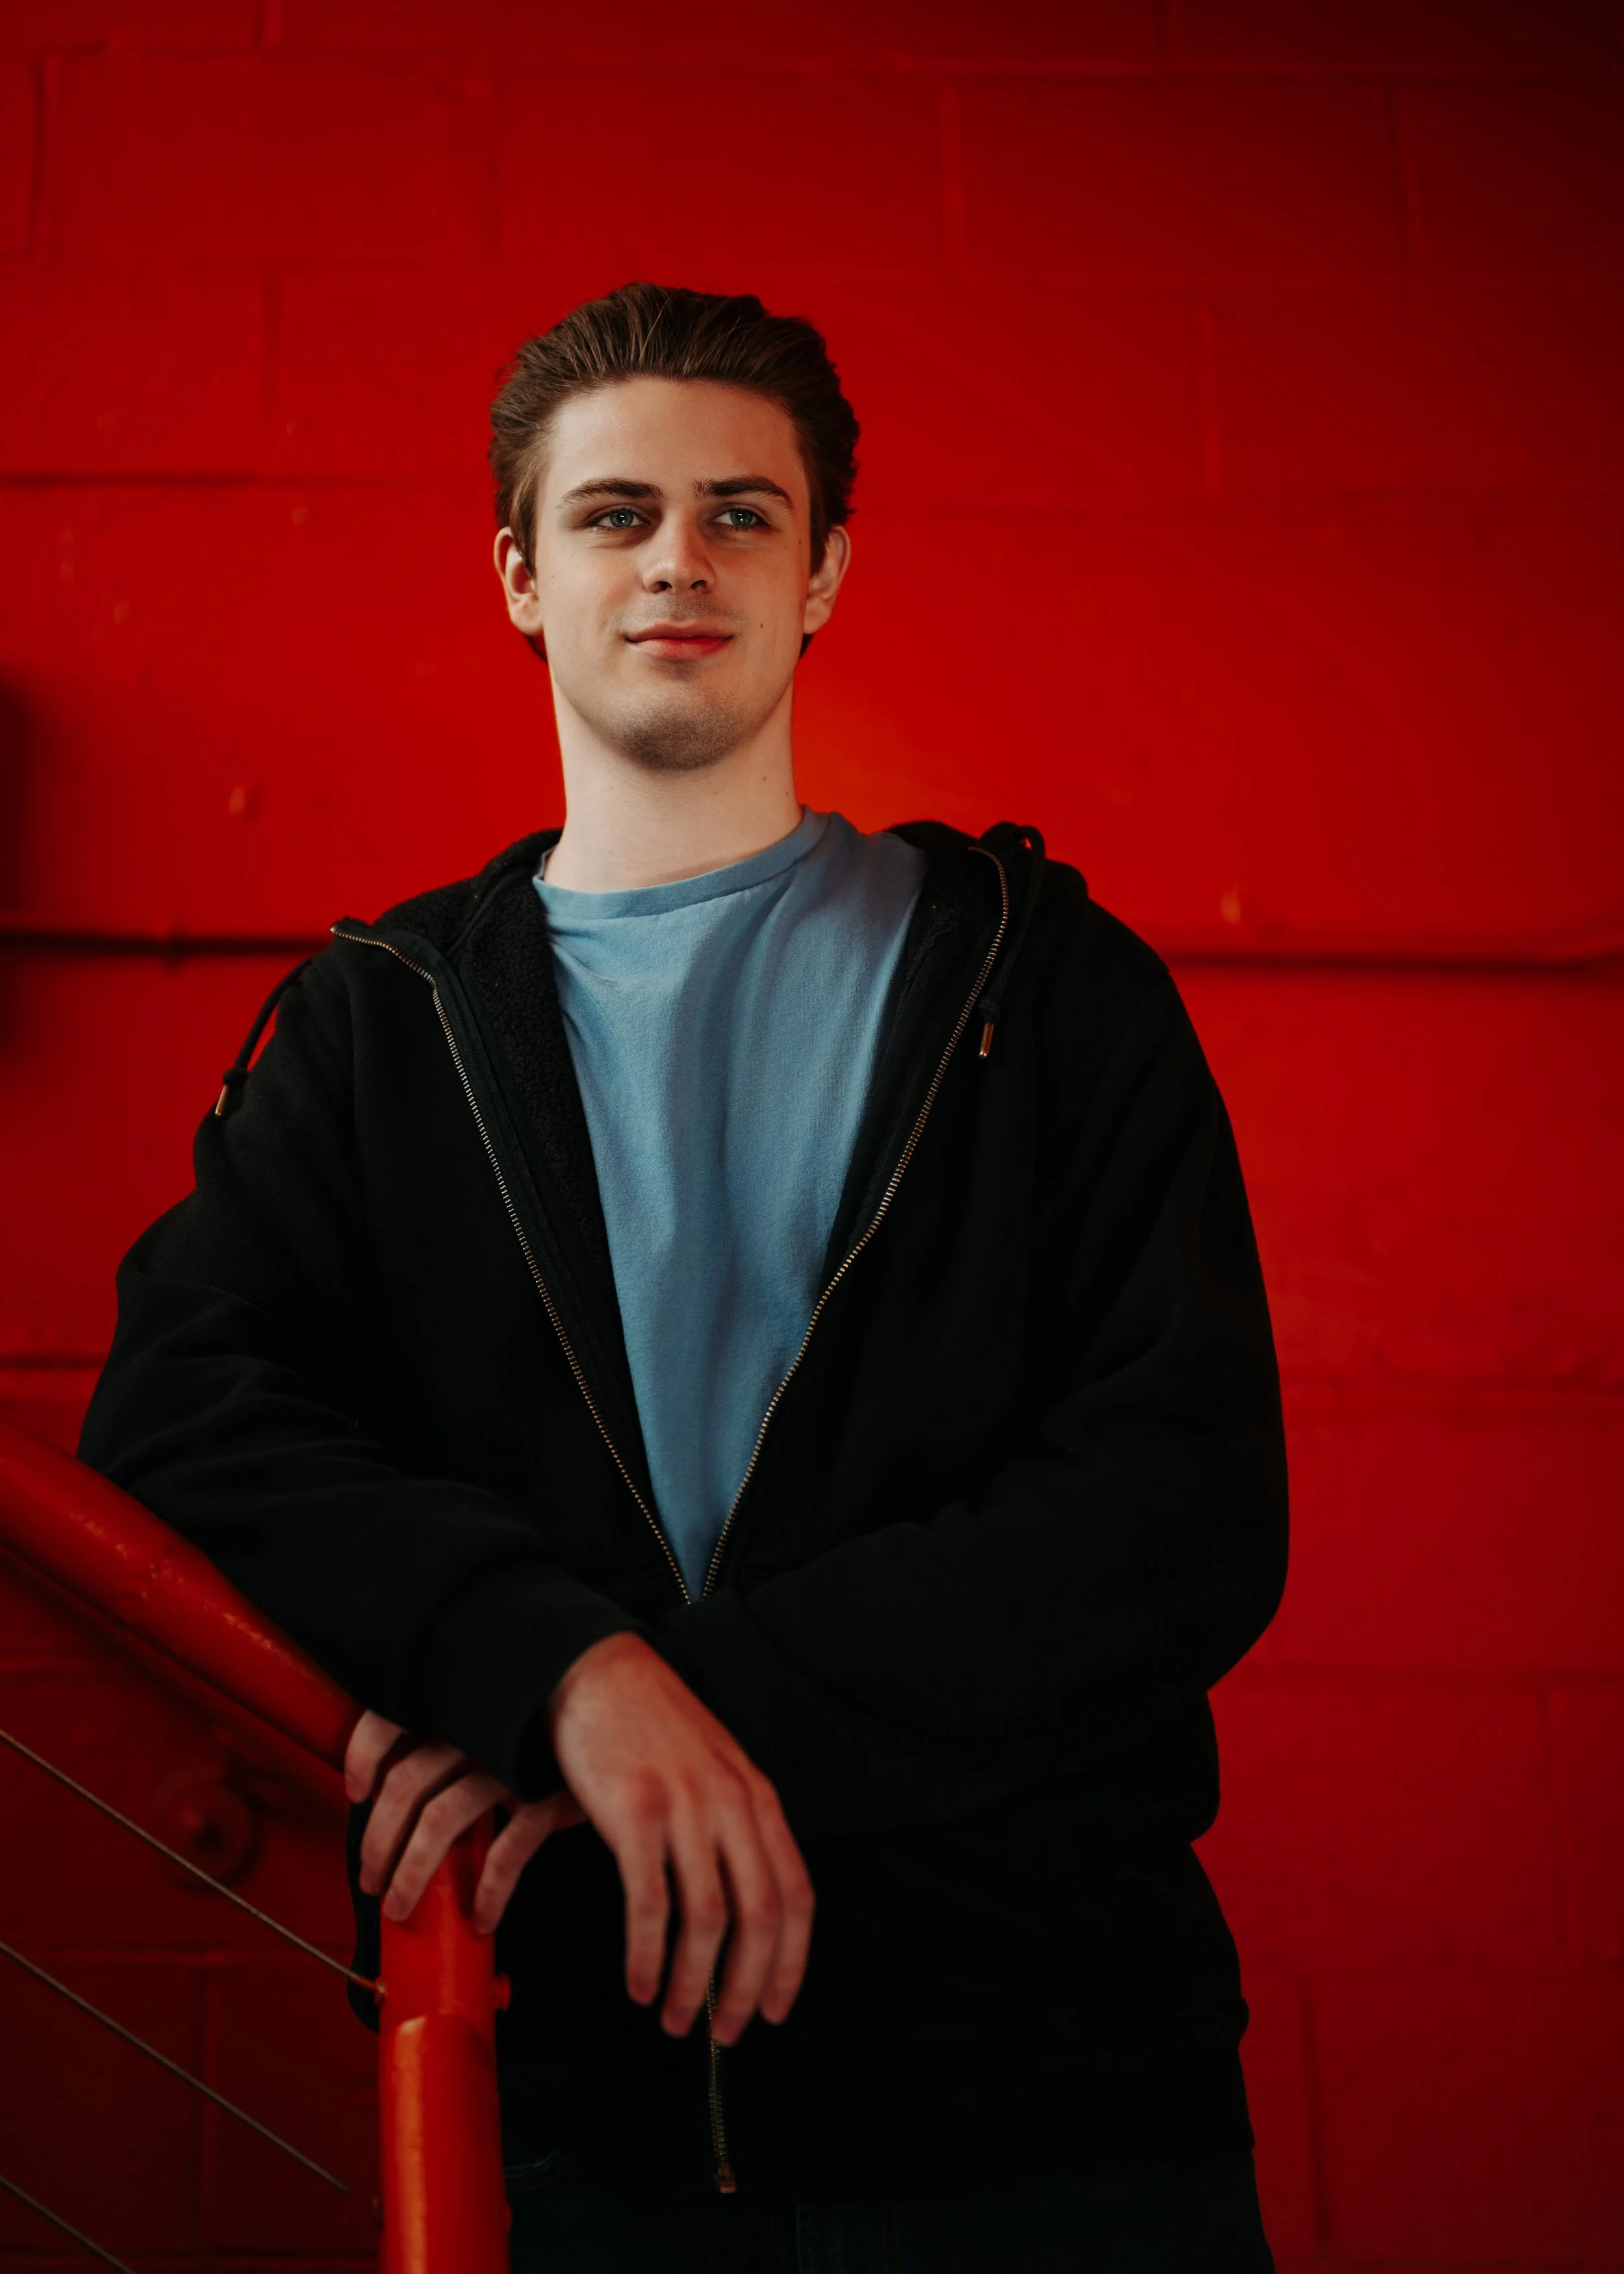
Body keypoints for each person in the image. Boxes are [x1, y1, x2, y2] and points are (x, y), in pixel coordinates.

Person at [80, 282, 1288, 2272]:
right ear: (518, 578)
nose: (678, 559)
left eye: (741, 513)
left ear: (823, 575)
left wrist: (663, 1703)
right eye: (614, 513)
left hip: (1054, 2107)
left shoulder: (1044, 988)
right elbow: (182, 1410)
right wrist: (552, 1659)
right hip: (577, 2117)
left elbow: (1177, 1506)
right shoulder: (384, 1025)